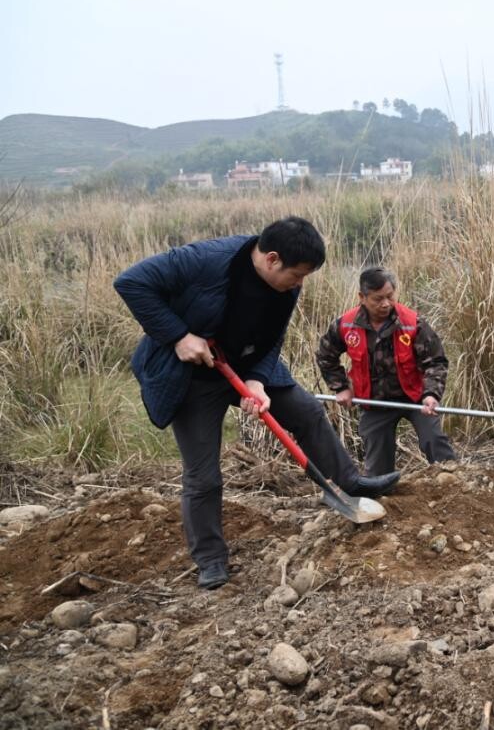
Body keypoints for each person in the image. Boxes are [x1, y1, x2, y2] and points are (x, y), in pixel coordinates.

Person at [114, 217, 398, 590]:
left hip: (245, 365)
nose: (299, 284)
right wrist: (179, 336)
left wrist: (257, 379)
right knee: (203, 477)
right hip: (193, 377)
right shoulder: (203, 260)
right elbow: (130, 283)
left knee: (308, 411)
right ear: (271, 259)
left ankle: (349, 484)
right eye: (296, 275)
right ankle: (211, 560)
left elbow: (273, 337)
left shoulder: (287, 286)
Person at [316, 267, 456, 477]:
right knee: (378, 471)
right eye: (378, 298)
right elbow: (326, 355)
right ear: (362, 297)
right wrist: (341, 387)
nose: (386, 304)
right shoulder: (346, 324)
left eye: (390, 296)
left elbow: (436, 361)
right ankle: (383, 498)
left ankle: (455, 482)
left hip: (415, 398)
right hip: (374, 402)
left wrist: (431, 394)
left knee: (434, 441)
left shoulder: (412, 323)